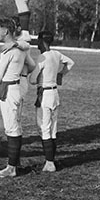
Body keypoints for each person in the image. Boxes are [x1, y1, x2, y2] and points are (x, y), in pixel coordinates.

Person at [0, 17, 37, 178]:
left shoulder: (8, 51)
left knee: (11, 127)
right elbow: (33, 66)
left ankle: (11, 168)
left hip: (9, 89)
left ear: (6, 31)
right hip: (16, 88)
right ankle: (15, 162)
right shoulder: (21, 49)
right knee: (15, 124)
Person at [34, 30, 75, 173]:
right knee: (53, 129)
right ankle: (50, 160)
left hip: (44, 94)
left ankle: (49, 163)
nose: (37, 45)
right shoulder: (57, 54)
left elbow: (33, 79)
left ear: (42, 41)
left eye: (39, 41)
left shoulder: (42, 57)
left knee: (44, 128)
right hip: (55, 93)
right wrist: (60, 74)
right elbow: (70, 63)